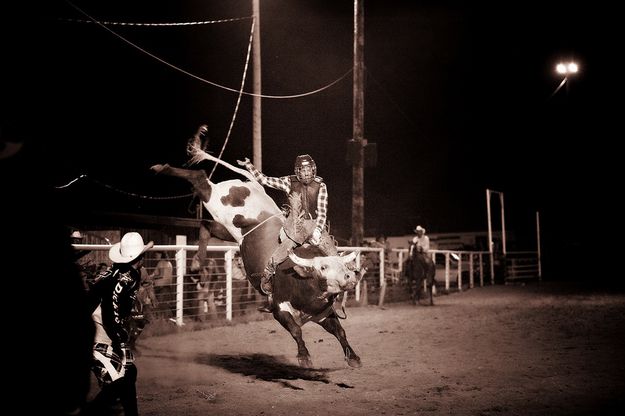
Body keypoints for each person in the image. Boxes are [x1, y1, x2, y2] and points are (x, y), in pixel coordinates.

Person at [237, 154, 336, 312]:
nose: (306, 173)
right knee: (281, 252)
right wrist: (249, 166)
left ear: (313, 169)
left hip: (315, 223)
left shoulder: (321, 185)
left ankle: (336, 285)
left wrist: (317, 229)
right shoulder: (289, 181)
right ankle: (268, 278)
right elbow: (265, 180)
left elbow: (323, 212)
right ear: (298, 171)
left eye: (308, 169)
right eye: (302, 170)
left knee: (333, 255)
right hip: (296, 224)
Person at [84, 232, 153, 416]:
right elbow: (110, 310)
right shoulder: (125, 278)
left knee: (129, 373)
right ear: (139, 256)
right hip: (95, 336)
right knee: (119, 382)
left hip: (99, 331)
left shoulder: (120, 273)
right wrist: (120, 340)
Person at [150, 251, 175, 320]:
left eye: (157, 254)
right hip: (167, 286)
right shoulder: (169, 263)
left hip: (161, 286)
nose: (156, 256)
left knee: (161, 305)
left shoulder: (161, 263)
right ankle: (168, 320)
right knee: (165, 305)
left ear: (161, 255)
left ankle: (165, 320)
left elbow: (161, 275)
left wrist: (151, 277)